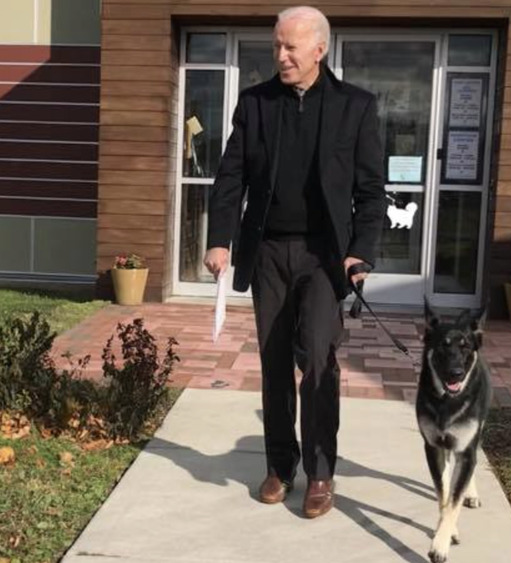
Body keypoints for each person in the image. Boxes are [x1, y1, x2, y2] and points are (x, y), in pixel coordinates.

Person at [202, 6, 387, 519]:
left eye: (290, 47)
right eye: (277, 46)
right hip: (268, 252)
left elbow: (372, 191)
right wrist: (221, 240)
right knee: (275, 362)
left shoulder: (356, 107)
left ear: (319, 50)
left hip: (325, 256)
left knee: (320, 362)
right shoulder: (256, 104)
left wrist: (361, 251)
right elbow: (230, 177)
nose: (280, 56)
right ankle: (281, 466)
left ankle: (322, 473)